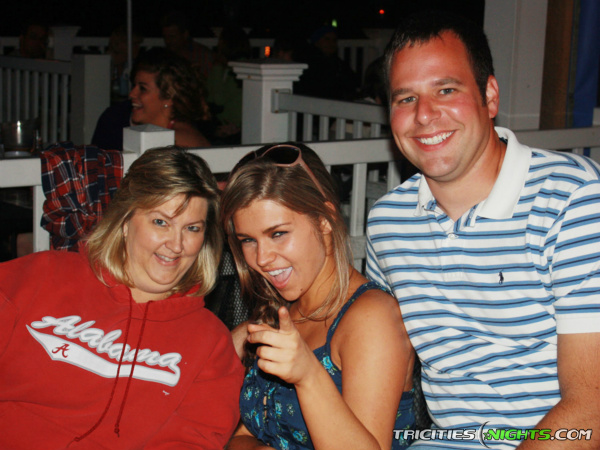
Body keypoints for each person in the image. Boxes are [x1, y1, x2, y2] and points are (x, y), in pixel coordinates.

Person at [366, 11, 600, 449]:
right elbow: (372, 348)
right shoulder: (387, 223)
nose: (424, 115)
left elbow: (592, 407)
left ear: (489, 96)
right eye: (405, 98)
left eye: (446, 90)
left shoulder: (574, 197)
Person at [0, 147, 244, 449]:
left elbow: (192, 441)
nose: (176, 244)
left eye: (192, 228)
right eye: (161, 222)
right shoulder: (40, 277)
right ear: (126, 221)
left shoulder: (210, 344)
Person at [221, 143, 415, 450]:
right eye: (248, 240)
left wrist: (308, 375)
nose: (262, 258)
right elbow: (242, 435)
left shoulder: (370, 318)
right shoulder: (279, 314)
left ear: (325, 218)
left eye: (278, 234)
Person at [205, 26, 251, 145]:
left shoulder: (239, 68)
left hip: (235, 127)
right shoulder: (227, 67)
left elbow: (218, 101)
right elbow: (209, 96)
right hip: (223, 122)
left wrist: (217, 67)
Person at [160, 10, 214, 81]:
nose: (168, 41)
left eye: (172, 37)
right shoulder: (164, 56)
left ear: (185, 34)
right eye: (165, 37)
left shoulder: (202, 55)